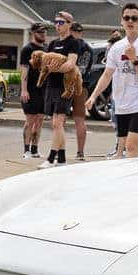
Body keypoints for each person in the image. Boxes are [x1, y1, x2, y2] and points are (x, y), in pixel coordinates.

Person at [85, 3, 138, 159]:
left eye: (134, 18)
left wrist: (135, 61)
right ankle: (129, 171)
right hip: (121, 102)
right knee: (124, 146)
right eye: (126, 18)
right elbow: (107, 75)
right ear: (121, 21)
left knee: (131, 145)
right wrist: (93, 96)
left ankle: (133, 174)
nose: (130, 21)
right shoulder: (116, 47)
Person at [38, 11, 83, 168]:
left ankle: (51, 158)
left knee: (57, 123)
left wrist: (56, 69)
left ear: (69, 24)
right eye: (56, 22)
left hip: (65, 87)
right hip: (52, 85)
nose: (57, 25)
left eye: (61, 22)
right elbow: (46, 62)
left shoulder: (73, 43)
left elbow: (71, 64)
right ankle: (62, 158)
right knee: (56, 124)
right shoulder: (52, 44)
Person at [18, 22, 48, 159]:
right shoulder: (27, 49)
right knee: (30, 119)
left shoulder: (47, 48)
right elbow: (24, 70)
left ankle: (35, 149)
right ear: (33, 33)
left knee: (40, 120)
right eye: (40, 32)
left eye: (44, 32)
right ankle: (26, 150)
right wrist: (24, 90)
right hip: (31, 89)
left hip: (44, 89)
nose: (43, 34)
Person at [69, 20, 90, 160]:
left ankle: (79, 152)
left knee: (63, 119)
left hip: (75, 86)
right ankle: (79, 152)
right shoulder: (86, 47)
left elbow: (80, 69)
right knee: (79, 120)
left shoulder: (74, 46)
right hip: (81, 85)